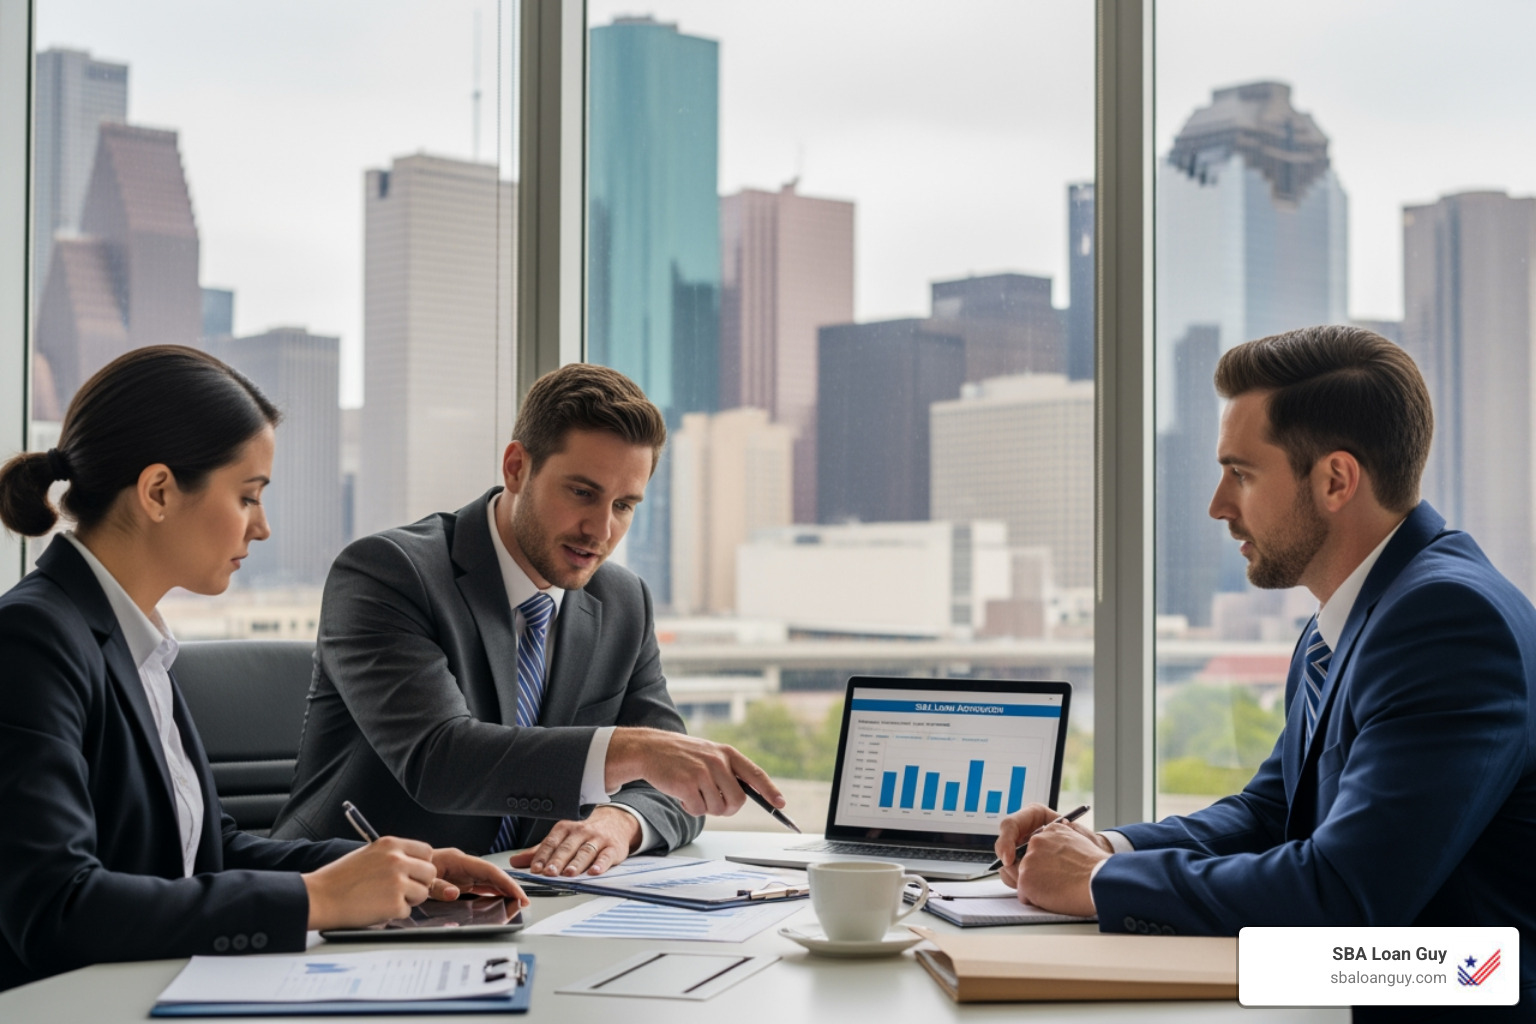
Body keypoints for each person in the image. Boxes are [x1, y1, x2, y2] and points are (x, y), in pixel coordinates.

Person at [996, 325, 1535, 1015]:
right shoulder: (1347, 622)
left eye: (1243, 474)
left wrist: (1102, 879)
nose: (1219, 505)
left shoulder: (1448, 623)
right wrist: (1104, 843)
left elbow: (1341, 893)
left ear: (1335, 480)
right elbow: (1271, 812)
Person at [0, 346, 526, 992]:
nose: (263, 528)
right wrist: (315, 900)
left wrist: (385, 867)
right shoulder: (35, 639)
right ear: (158, 491)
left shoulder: (134, 640)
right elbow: (55, 908)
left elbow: (206, 853)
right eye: (248, 497)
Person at [273, 363, 784, 877]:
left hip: (525, 905)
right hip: (349, 902)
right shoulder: (390, 572)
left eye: (624, 505)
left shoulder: (623, 601)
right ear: (516, 467)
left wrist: (618, 819)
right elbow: (440, 761)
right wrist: (635, 751)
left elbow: (674, 783)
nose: (601, 530)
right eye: (582, 493)